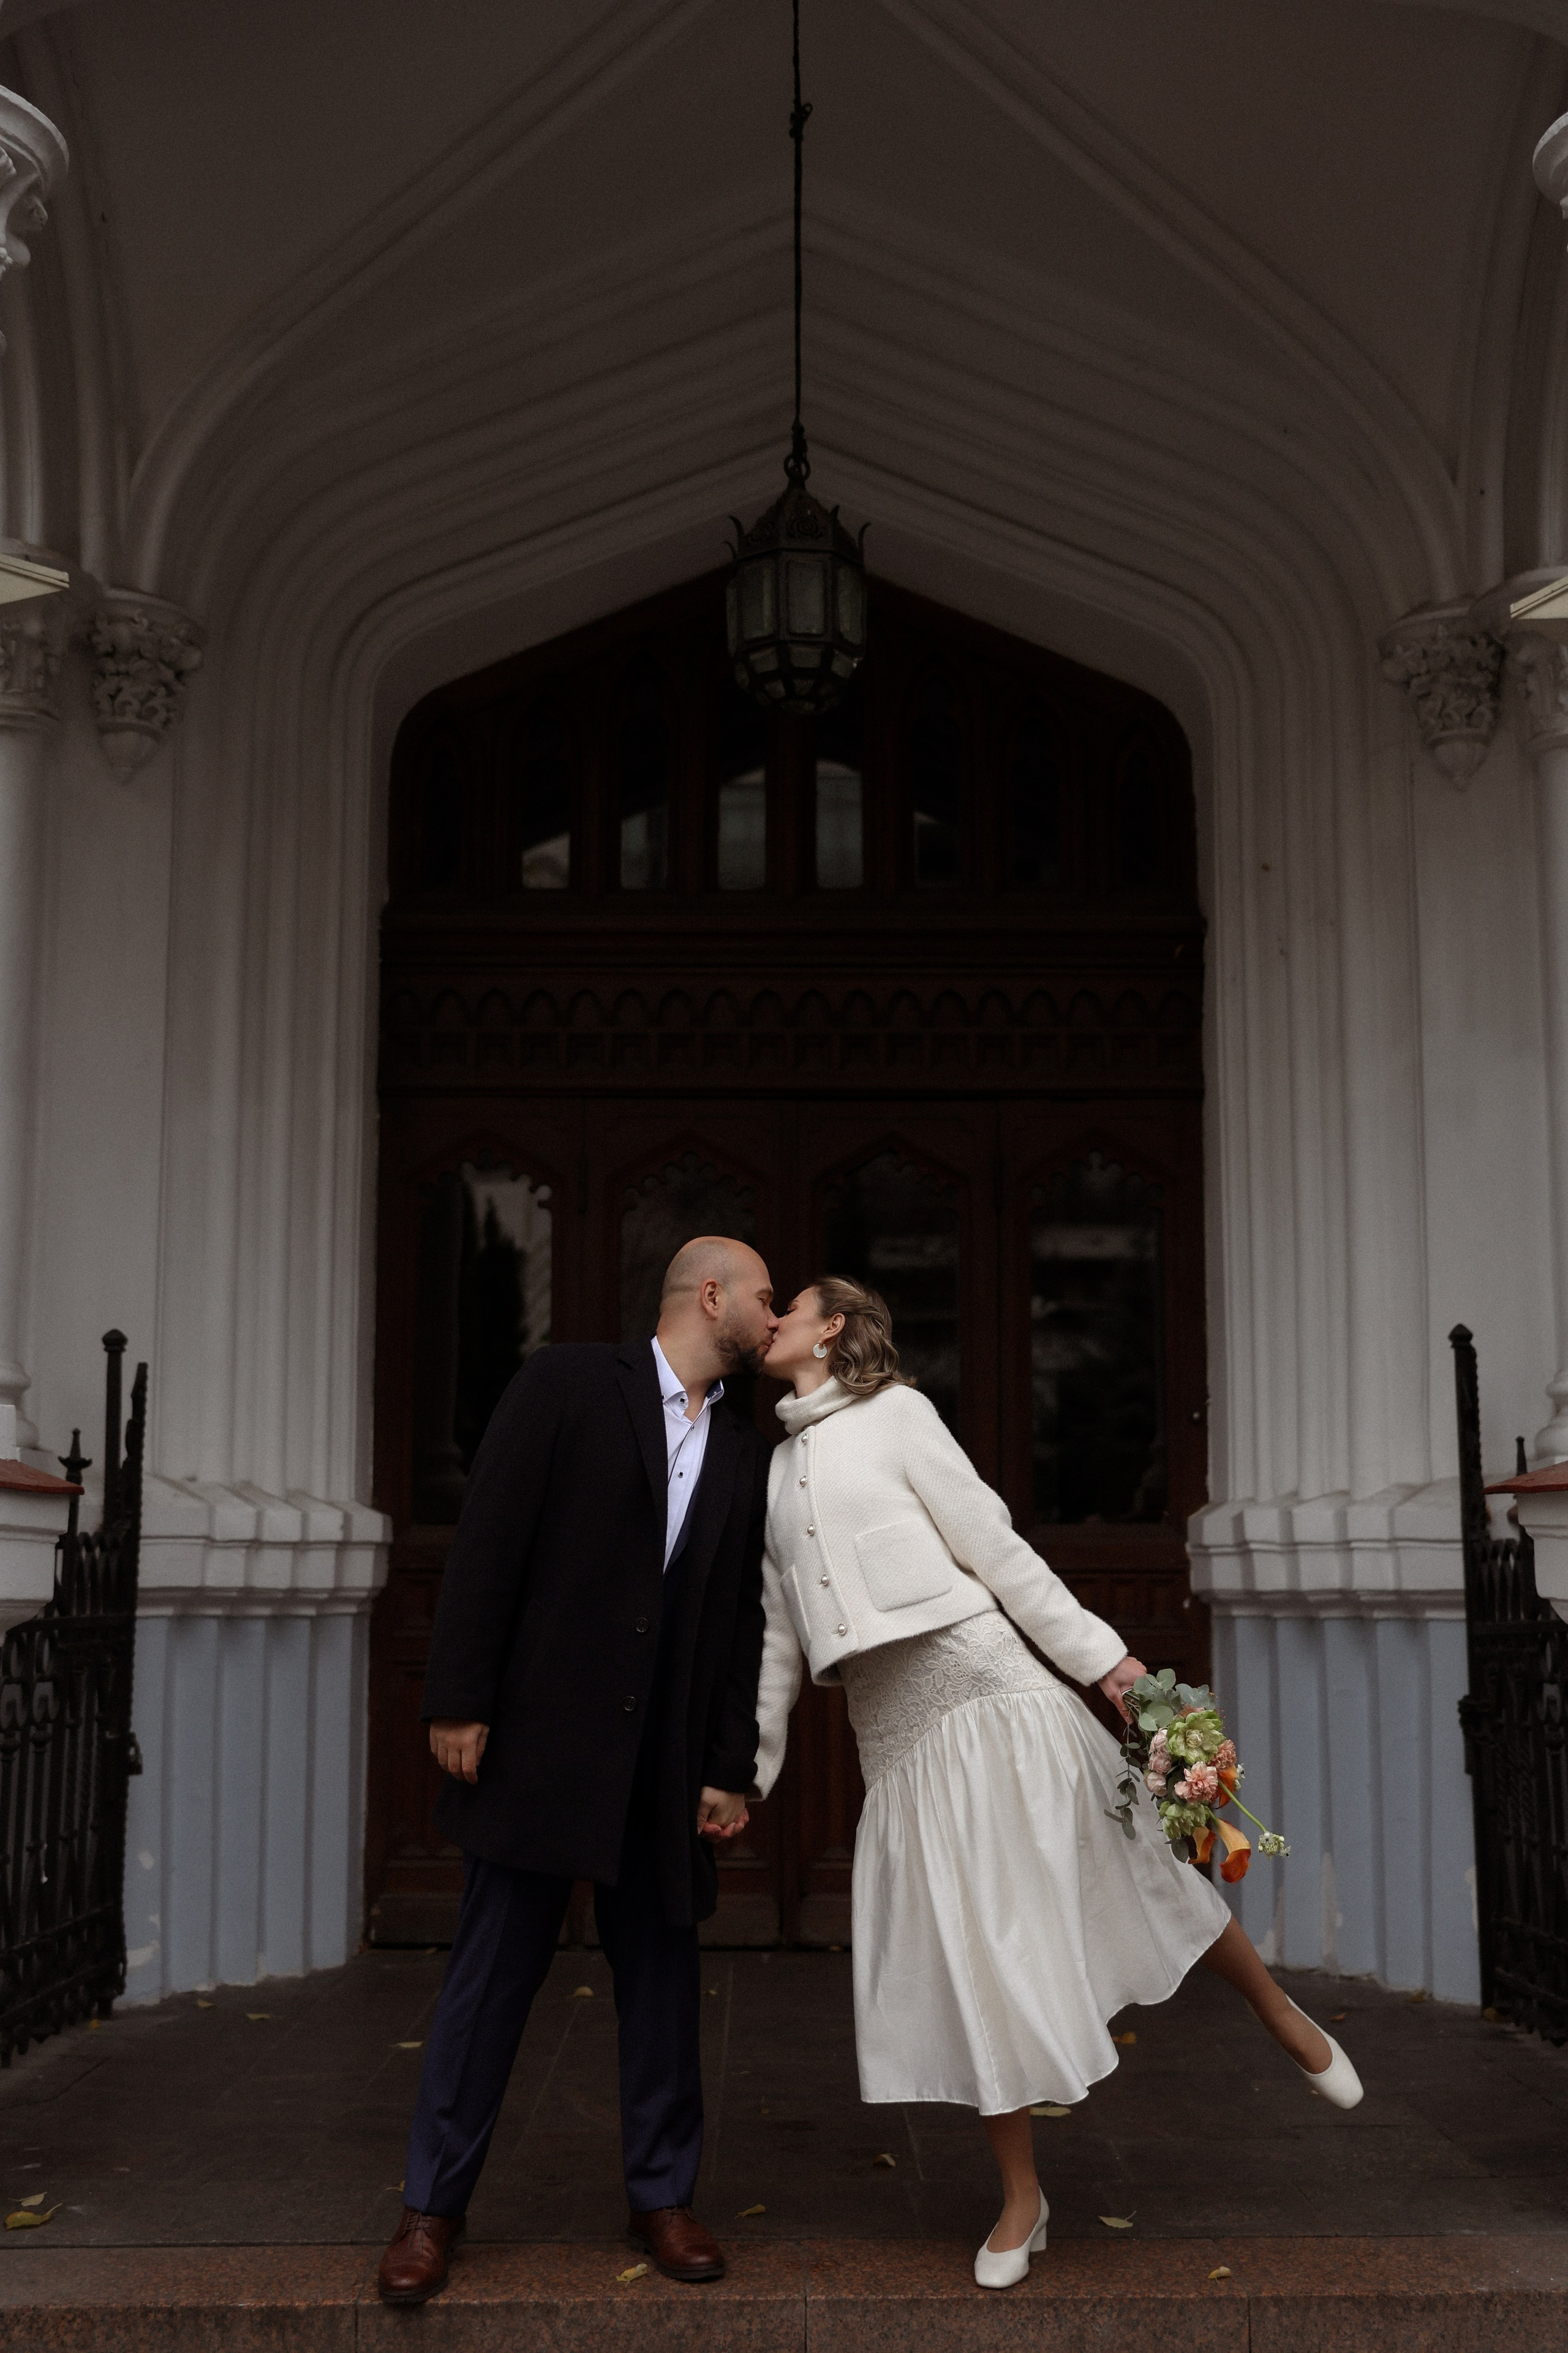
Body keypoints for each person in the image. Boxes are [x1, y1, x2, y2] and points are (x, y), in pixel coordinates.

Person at [754, 1276, 1363, 2292]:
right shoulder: (774, 1470)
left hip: (988, 1682)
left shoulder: (899, 1414)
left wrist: (1107, 1663)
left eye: (792, 1303)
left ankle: (1276, 2011)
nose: (770, 1319)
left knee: (1129, 1866)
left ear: (835, 1326)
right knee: (970, 1957)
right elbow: (780, 1630)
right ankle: (1023, 2199)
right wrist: (752, 1768)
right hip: (895, 1733)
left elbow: (995, 1544)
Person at [376, 1237, 777, 2305]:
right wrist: (458, 1694)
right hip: (542, 1744)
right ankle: (431, 2209)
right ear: (710, 1295)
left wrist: (729, 1766)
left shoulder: (743, 1449)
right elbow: (489, 1535)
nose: (774, 1317)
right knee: (491, 1977)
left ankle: (663, 2197)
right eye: (764, 1297)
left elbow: (740, 1619)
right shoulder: (566, 1383)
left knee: (662, 1986)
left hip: (665, 1764)